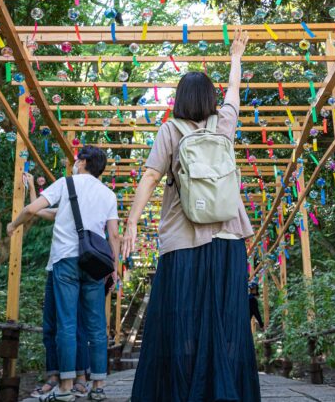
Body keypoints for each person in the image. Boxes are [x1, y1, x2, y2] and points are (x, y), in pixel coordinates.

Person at [121, 28, 261, 402]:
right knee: (225, 320)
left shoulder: (170, 129)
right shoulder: (225, 124)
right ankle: (223, 390)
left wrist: (132, 222)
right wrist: (236, 56)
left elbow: (151, 176)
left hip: (182, 240)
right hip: (228, 238)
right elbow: (234, 92)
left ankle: (181, 392)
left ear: (179, 99)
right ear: (211, 98)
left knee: (180, 320)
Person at [8, 146, 120, 402]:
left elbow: (31, 210)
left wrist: (13, 225)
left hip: (66, 260)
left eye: (76, 160)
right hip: (95, 264)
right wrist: (113, 270)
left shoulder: (66, 183)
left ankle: (66, 387)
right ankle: (98, 386)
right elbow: (113, 235)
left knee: (66, 323)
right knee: (96, 326)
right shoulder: (108, 194)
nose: (74, 164)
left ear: (83, 162)